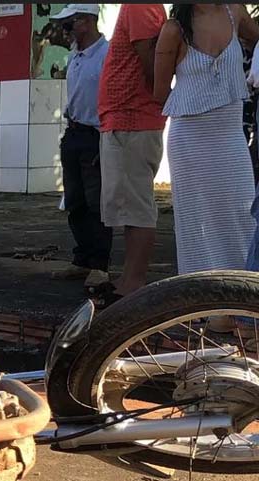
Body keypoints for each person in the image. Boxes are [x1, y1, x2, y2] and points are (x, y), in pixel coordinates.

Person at [155, 5, 259, 276]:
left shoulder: (234, 12)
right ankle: (204, 299)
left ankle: (243, 291)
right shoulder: (173, 29)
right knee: (196, 218)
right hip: (190, 136)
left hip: (230, 133)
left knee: (242, 210)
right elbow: (160, 92)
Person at [95, 3, 167, 306]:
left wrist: (158, 98)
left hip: (132, 118)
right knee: (127, 205)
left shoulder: (140, 5)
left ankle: (133, 282)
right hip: (126, 118)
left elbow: (151, 61)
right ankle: (129, 278)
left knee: (134, 204)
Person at [49, 4, 111, 289]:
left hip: (95, 134)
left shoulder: (107, 55)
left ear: (85, 22)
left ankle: (100, 263)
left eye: (69, 25)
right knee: (75, 200)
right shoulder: (75, 55)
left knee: (96, 200)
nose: (66, 31)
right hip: (73, 132)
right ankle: (82, 258)